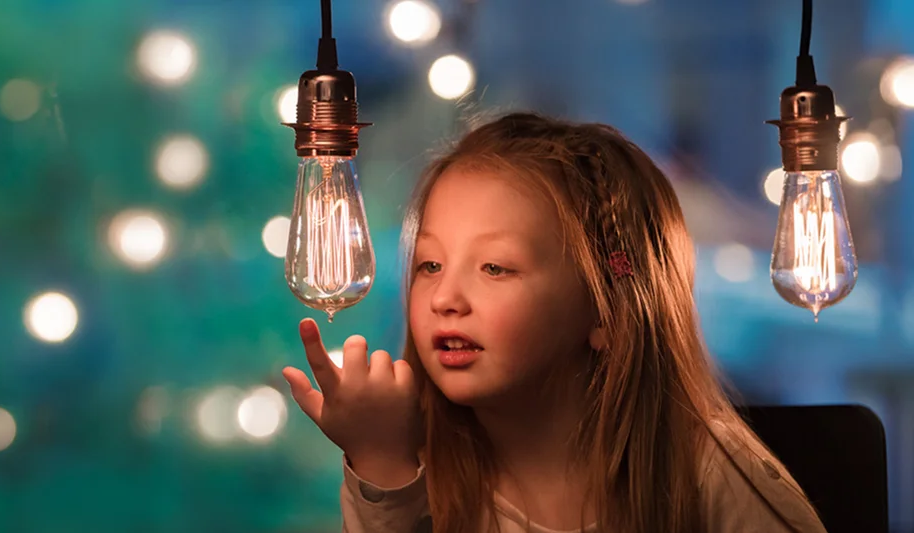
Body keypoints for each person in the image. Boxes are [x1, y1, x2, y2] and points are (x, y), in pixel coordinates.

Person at [282, 113, 829, 532]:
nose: (445, 297)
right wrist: (381, 465)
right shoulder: (415, 467)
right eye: (430, 265)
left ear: (606, 310)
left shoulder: (710, 476)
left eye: (495, 268)